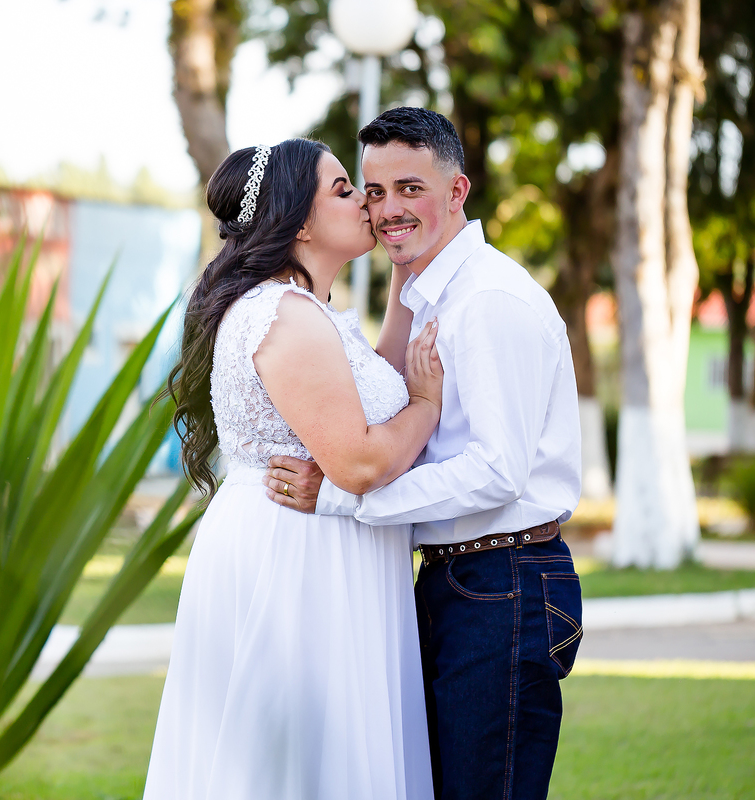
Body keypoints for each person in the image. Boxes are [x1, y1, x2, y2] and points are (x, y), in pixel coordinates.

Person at [265, 107, 584, 800]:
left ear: (457, 192)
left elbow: (498, 472)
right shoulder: (425, 293)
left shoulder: (487, 301)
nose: (388, 211)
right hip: (456, 581)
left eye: (410, 188)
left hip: (506, 582)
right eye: (373, 193)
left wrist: (347, 496)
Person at [143, 138, 440, 800]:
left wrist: (404, 278)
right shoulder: (285, 317)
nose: (364, 198)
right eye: (342, 189)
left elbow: (373, 386)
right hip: (296, 558)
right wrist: (426, 405)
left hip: (314, 544)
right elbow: (360, 461)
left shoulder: (310, 314)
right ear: (298, 222)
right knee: (295, 766)